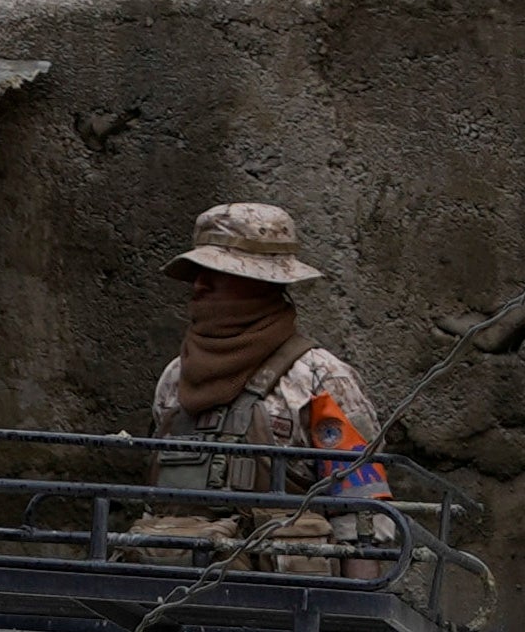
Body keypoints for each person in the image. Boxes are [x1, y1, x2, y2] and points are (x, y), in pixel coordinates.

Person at [147, 203, 385, 511]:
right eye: (197, 273)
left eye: (217, 272)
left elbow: (361, 516)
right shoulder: (176, 375)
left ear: (262, 283)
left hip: (272, 556)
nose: (199, 285)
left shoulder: (321, 378)